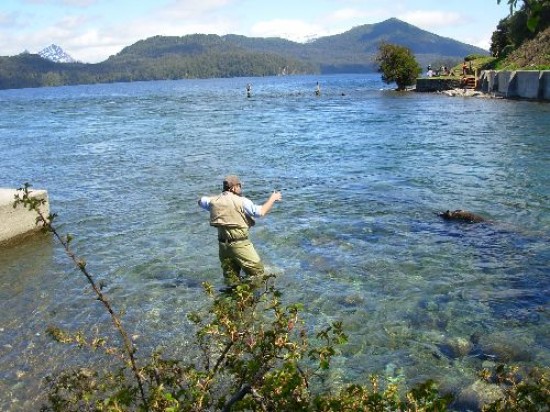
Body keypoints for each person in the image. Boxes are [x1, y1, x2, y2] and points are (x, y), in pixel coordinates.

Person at [198, 175, 282, 288]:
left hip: (223, 247)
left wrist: (221, 197)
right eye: (239, 186)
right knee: (258, 274)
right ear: (233, 188)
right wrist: (273, 198)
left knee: (231, 279)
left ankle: (233, 301)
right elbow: (260, 212)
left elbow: (200, 201)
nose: (241, 189)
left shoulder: (213, 202)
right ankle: (252, 299)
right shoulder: (243, 202)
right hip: (240, 245)